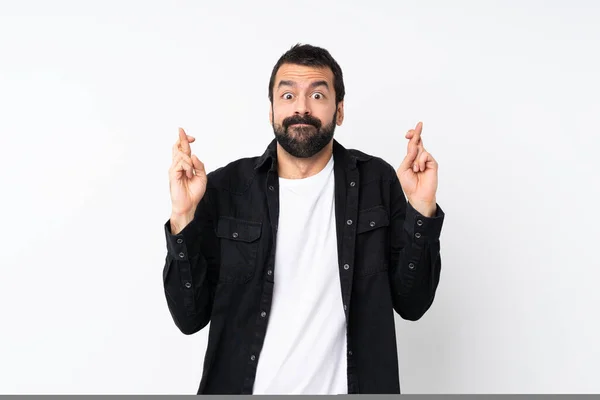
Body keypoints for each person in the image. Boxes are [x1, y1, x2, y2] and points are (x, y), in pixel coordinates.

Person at [162, 43, 445, 395]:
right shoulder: (226, 188)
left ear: (339, 111)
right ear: (271, 110)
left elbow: (413, 304)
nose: (301, 107)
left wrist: (421, 209)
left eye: (317, 94)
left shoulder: (377, 182)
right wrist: (183, 215)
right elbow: (189, 318)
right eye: (287, 94)